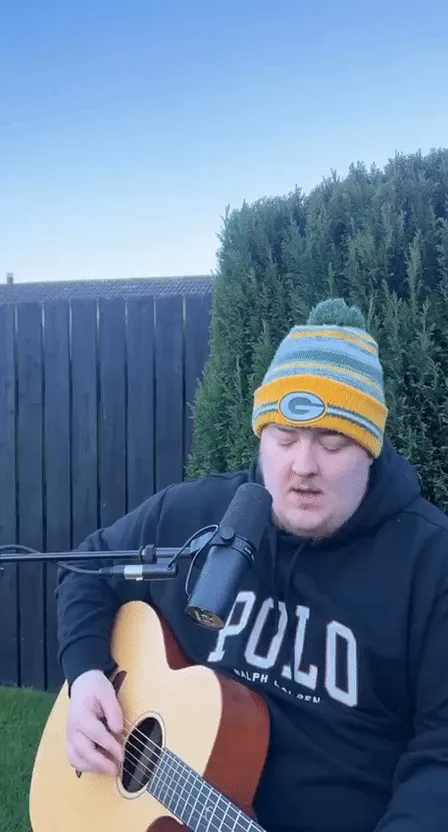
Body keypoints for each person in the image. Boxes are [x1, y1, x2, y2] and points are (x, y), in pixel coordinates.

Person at [56, 296, 448, 832]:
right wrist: (85, 678)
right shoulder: (198, 516)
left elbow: (441, 756)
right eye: (284, 438)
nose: (302, 466)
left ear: (370, 448)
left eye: (333, 442)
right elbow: (89, 566)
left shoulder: (431, 563)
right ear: (262, 439)